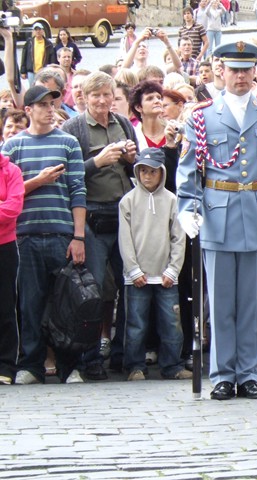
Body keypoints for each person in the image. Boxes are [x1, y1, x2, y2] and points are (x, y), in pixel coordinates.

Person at [176, 41, 257, 401]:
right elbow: (189, 170)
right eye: (234, 70)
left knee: (254, 304)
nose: (240, 76)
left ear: (255, 71)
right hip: (218, 214)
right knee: (221, 302)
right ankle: (223, 374)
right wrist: (186, 208)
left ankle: (249, 373)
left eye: (246, 70)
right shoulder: (202, 116)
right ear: (221, 71)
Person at [2, 85, 87, 384]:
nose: (50, 110)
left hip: (61, 233)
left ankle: (70, 365)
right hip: (24, 235)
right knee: (29, 304)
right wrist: (38, 181)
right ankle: (32, 365)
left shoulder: (68, 142)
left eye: (52, 104)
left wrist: (78, 236)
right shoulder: (12, 147)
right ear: (28, 110)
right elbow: (9, 195)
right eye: (43, 105)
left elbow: (78, 190)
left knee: (67, 303)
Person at [62, 72, 138, 378]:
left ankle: (124, 355)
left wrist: (131, 159)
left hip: (124, 213)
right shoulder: (74, 128)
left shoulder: (124, 124)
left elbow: (137, 170)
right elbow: (67, 175)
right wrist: (97, 161)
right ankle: (90, 358)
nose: (103, 101)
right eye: (96, 95)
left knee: (129, 285)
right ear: (84, 97)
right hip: (92, 216)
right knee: (91, 291)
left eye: (107, 94)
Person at [118, 147, 190, 381]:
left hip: (166, 275)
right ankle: (134, 366)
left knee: (171, 324)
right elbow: (125, 239)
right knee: (136, 325)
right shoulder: (128, 201)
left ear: (162, 173)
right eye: (143, 171)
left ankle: (173, 366)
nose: (147, 176)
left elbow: (178, 238)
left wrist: (173, 269)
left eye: (152, 171)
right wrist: (133, 270)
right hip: (137, 276)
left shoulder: (172, 200)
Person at [0, 152, 23, 385]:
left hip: (4, 246)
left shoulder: (11, 171)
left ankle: (5, 365)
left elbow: (13, 208)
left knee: (5, 306)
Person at [129, 80, 167, 149]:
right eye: (150, 99)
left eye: (159, 98)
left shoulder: (174, 131)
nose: (157, 101)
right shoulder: (133, 136)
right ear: (138, 107)